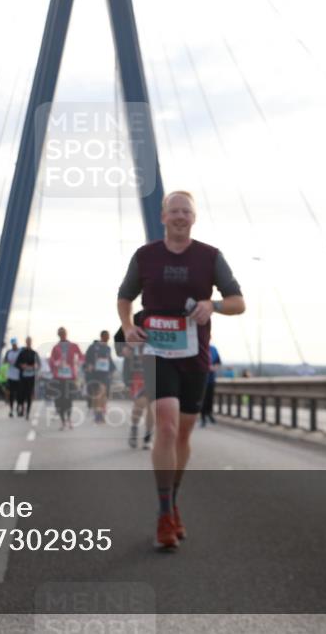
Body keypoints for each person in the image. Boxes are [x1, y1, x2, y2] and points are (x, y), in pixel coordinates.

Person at [117, 191, 245, 551]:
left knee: (184, 435)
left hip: (195, 357)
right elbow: (124, 296)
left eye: (185, 211)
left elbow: (239, 303)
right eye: (173, 210)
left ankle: (172, 501)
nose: (179, 216)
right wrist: (128, 326)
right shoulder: (145, 257)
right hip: (157, 352)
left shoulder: (210, 257)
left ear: (194, 218)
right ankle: (162, 515)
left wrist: (213, 304)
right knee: (167, 424)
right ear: (162, 217)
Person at [116, 329, 152, 450]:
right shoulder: (136, 319)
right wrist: (122, 349)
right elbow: (119, 335)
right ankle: (134, 428)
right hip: (138, 374)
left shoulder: (164, 317)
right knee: (140, 404)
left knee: (152, 407)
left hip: (157, 373)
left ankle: (148, 436)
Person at [49, 327, 83, 430]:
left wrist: (78, 363)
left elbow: (81, 356)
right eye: (60, 333)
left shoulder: (73, 346)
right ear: (58, 335)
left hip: (69, 376)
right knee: (59, 400)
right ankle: (62, 421)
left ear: (66, 334)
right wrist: (56, 363)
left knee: (68, 399)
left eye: (63, 333)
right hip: (58, 377)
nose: (62, 335)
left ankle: (68, 419)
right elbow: (51, 361)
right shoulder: (55, 347)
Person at [84, 330, 116, 424]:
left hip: (104, 374)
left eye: (109, 337)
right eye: (106, 336)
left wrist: (112, 370)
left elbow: (109, 360)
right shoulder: (93, 347)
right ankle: (97, 413)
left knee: (102, 393)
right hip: (94, 373)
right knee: (96, 394)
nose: (108, 338)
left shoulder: (108, 348)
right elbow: (87, 358)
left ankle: (100, 413)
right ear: (102, 336)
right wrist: (89, 365)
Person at [15, 336, 41, 419]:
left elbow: (39, 364)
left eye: (30, 341)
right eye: (27, 341)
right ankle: (22, 407)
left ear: (31, 342)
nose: (28, 342)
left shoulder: (34, 353)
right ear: (26, 342)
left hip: (31, 377)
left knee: (29, 394)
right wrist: (22, 366)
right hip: (23, 377)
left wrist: (34, 366)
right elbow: (16, 363)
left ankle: (28, 412)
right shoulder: (22, 353)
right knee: (22, 394)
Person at [201, 343, 222, 427]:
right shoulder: (200, 346)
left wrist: (213, 368)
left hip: (211, 379)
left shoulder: (213, 349)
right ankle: (203, 418)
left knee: (210, 398)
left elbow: (218, 362)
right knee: (203, 399)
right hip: (202, 379)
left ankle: (209, 414)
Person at [4, 338, 22, 417]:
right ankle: (11, 410)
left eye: (15, 344)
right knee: (11, 394)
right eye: (13, 344)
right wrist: (7, 362)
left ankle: (18, 408)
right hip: (10, 376)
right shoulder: (9, 352)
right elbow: (4, 361)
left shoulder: (20, 352)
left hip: (18, 376)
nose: (14, 346)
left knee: (18, 394)